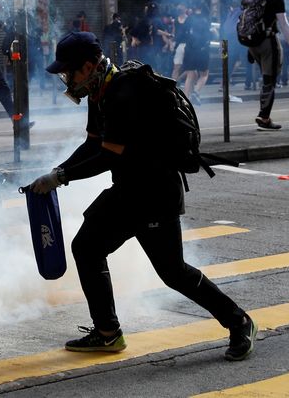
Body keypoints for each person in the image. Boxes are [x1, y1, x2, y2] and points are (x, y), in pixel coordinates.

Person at [28, 31, 257, 361]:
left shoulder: (123, 92)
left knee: (173, 272)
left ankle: (240, 322)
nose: (67, 79)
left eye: (69, 71)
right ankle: (107, 333)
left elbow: (109, 155)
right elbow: (94, 144)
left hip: (154, 194)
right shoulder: (100, 91)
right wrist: (57, 172)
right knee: (87, 247)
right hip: (128, 191)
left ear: (89, 66)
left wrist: (61, 177)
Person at [246, 0, 289, 130]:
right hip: (269, 43)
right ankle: (264, 117)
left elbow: (248, 22)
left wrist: (249, 47)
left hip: (253, 44)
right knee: (270, 81)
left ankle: (263, 114)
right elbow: (284, 24)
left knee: (265, 80)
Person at [179, 0, 211, 105]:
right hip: (202, 50)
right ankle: (196, 92)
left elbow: (183, 33)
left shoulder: (189, 18)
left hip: (189, 49)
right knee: (204, 74)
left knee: (190, 75)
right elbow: (208, 35)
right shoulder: (206, 18)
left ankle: (186, 100)